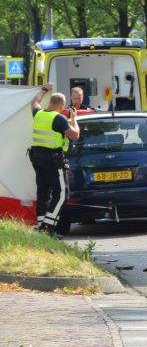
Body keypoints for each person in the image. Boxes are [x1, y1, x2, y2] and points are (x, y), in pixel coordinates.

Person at [29, 84, 80, 235]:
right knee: (62, 194)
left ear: (50, 102)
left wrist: (44, 89)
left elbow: (34, 102)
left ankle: (41, 226)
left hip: (37, 158)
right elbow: (75, 135)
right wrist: (74, 119)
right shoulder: (59, 118)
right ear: (62, 105)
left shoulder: (38, 113)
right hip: (52, 160)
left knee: (43, 192)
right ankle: (48, 227)